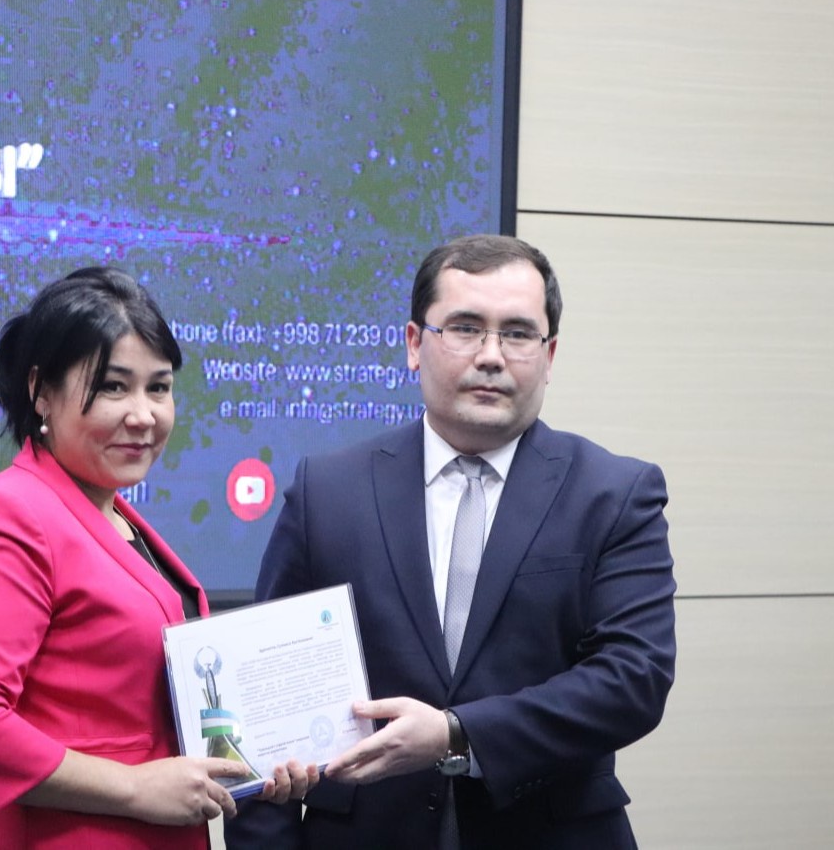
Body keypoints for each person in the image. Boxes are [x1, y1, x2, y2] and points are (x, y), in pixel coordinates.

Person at [226, 235, 676, 849]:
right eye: (465, 328)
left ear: (549, 356)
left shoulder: (614, 493)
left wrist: (455, 733)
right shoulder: (326, 492)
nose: (491, 356)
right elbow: (264, 709)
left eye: (517, 333)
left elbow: (633, 679)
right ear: (415, 344)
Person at [0, 266, 316, 849]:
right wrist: (132, 787)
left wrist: (260, 760)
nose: (144, 415)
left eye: (159, 388)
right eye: (113, 387)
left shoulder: (113, 514)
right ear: (41, 391)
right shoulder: (12, 513)